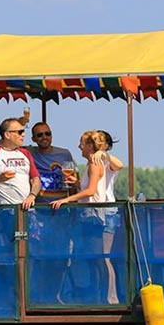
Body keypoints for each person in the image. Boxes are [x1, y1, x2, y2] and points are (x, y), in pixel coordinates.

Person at [51, 130, 125, 304]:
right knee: (97, 257)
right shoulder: (91, 164)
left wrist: (66, 199)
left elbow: (92, 190)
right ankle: (100, 296)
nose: (79, 146)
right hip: (93, 213)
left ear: (91, 145)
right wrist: (76, 184)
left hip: (100, 214)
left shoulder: (97, 163)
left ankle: (109, 298)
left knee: (102, 258)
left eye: (82, 143)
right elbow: (91, 188)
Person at [0, 118, 41, 209]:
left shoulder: (25, 153)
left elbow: (36, 179)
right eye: (19, 132)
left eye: (23, 131)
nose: (23, 135)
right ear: (7, 134)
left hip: (28, 211)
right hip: (4, 212)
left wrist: (32, 196)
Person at [28, 122, 78, 203]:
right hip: (39, 208)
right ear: (33, 139)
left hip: (62, 207)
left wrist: (73, 207)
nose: (44, 137)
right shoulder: (28, 152)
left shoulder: (64, 154)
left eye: (47, 134)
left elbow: (72, 183)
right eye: (40, 135)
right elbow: (5, 145)